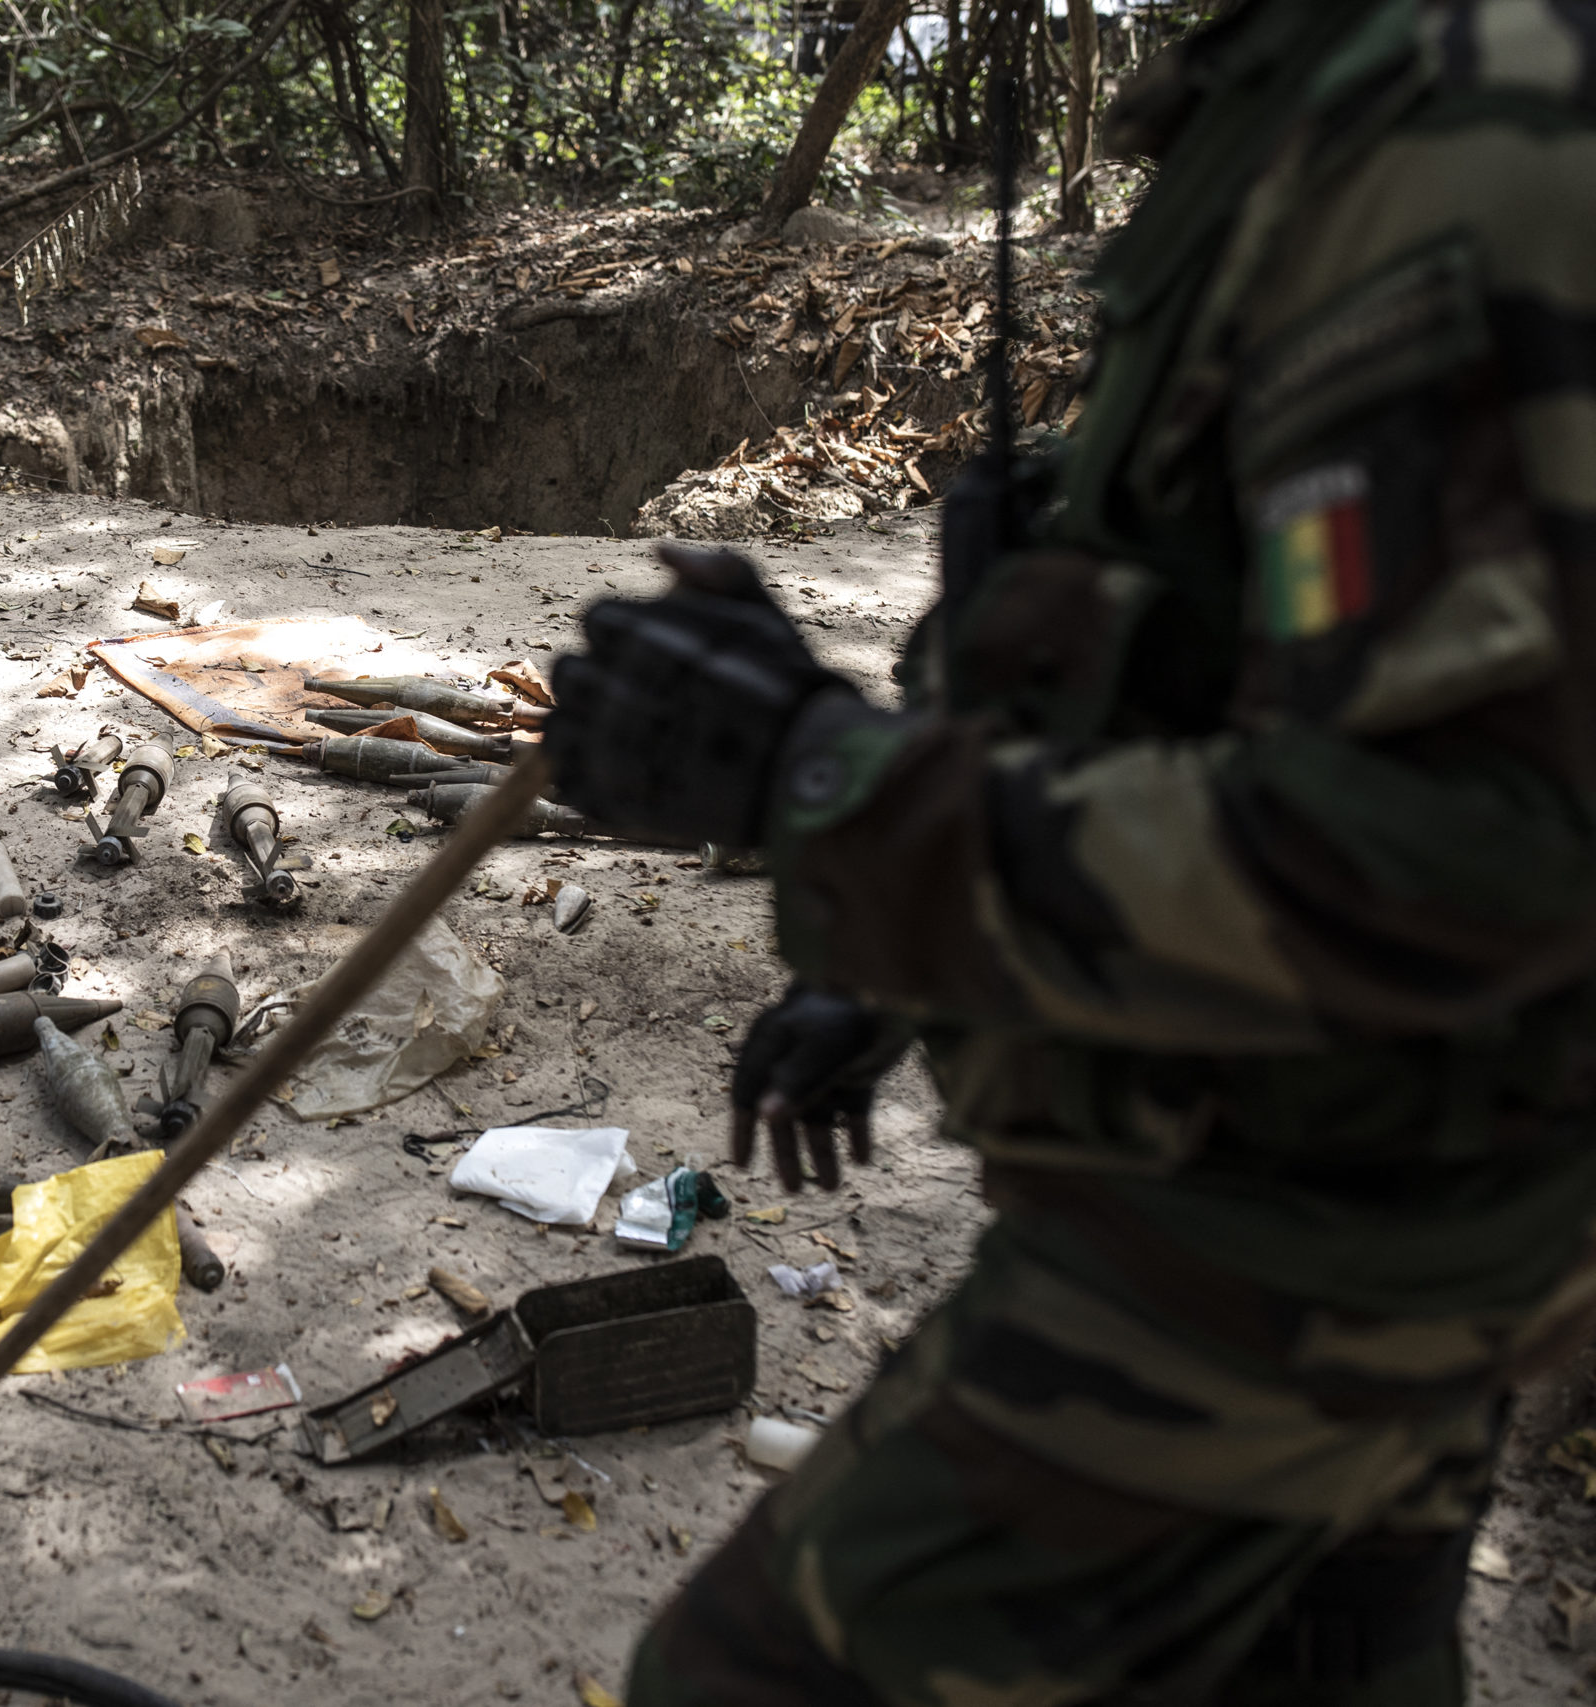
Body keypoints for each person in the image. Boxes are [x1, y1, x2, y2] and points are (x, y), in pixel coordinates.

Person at [543, 0, 1596, 1699]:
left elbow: (1477, 852)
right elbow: (1217, 658)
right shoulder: (1298, 92)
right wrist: (889, 956)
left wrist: (833, 792)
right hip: (1350, 1157)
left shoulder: (1467, 130)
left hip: (1313, 1222)